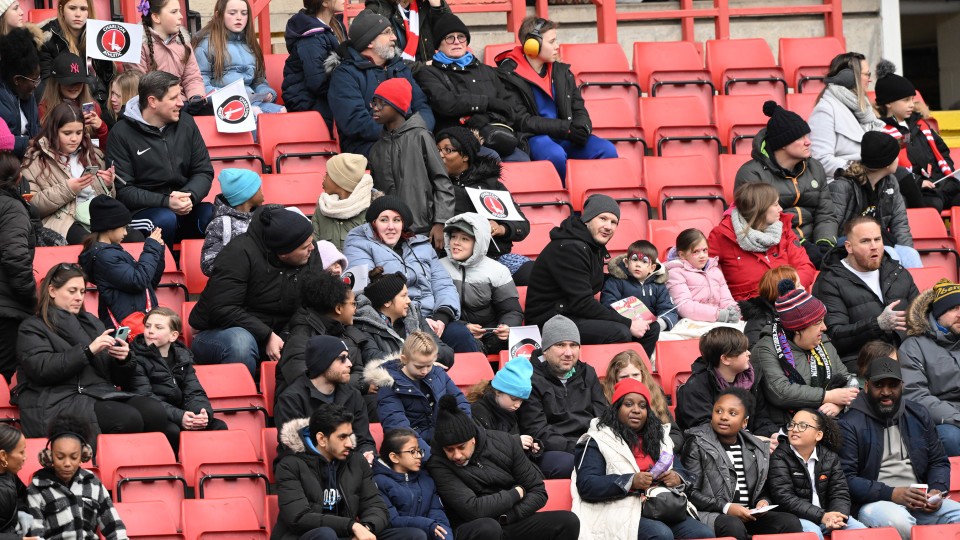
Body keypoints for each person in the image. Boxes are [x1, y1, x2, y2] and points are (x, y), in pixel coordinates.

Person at [14, 264, 169, 440]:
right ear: (52, 291)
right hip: (54, 401)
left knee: (155, 412)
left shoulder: (92, 322)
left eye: (82, 292)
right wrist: (88, 351)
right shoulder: (32, 327)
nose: (79, 297)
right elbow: (42, 369)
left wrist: (122, 359)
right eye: (72, 291)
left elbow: (113, 377)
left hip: (97, 393)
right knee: (128, 419)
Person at [573, 378, 715, 540]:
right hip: (620, 510)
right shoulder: (597, 440)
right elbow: (587, 485)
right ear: (616, 409)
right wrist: (630, 481)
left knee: (704, 533)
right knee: (661, 534)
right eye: (628, 404)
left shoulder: (659, 439)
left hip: (663, 507)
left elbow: (682, 472)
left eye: (642, 406)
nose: (636, 410)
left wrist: (676, 477)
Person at [426, 394, 581, 540]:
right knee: (488, 527)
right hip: (474, 527)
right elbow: (473, 509)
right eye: (449, 450)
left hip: (510, 519)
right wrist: (515, 494)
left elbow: (538, 491)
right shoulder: (438, 463)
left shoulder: (504, 442)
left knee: (568, 521)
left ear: (473, 439)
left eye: (461, 447)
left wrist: (509, 516)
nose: (457, 455)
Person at [189, 205, 321, 375]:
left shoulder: (309, 250)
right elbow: (223, 309)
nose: (311, 248)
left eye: (310, 243)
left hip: (280, 330)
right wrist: (267, 335)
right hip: (219, 333)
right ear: (283, 253)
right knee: (240, 342)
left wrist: (289, 335)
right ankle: (241, 391)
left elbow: (314, 301)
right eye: (304, 247)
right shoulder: (238, 253)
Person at [838, 357, 960, 540]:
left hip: (920, 500)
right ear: (867, 386)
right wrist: (891, 493)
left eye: (893, 385)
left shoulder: (918, 414)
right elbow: (846, 479)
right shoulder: (849, 424)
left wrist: (937, 490)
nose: (886, 392)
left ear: (902, 386)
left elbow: (938, 461)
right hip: (875, 503)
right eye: (879, 385)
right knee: (899, 521)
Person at [274, 403, 426, 540]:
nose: (349, 443)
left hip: (348, 534)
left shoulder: (356, 462)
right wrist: (351, 525)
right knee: (326, 534)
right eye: (342, 437)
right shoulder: (290, 465)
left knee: (414, 535)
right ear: (321, 439)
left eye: (349, 436)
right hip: (308, 535)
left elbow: (377, 507)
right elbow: (299, 518)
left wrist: (366, 528)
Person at [344, 197, 475, 354]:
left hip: (434, 318)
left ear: (403, 224)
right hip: (394, 322)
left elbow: (443, 284)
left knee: (462, 336)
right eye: (384, 220)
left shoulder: (422, 245)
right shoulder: (358, 244)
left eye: (397, 220)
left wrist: (441, 318)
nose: (391, 226)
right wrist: (417, 321)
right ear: (373, 223)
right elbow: (366, 291)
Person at [496, 16, 617, 180]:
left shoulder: (561, 71)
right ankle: (562, 194)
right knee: (555, 155)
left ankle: (595, 195)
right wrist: (567, 129)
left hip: (564, 133)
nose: (557, 46)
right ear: (532, 45)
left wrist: (583, 127)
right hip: (533, 138)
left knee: (607, 150)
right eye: (551, 42)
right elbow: (523, 121)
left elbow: (578, 107)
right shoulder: (508, 75)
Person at [105, 70, 215, 246]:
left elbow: (203, 171)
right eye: (173, 98)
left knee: (210, 214)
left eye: (180, 96)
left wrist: (189, 196)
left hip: (182, 205)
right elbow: (124, 191)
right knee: (164, 219)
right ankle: (161, 264)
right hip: (143, 212)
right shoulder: (121, 133)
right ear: (152, 101)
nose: (181, 103)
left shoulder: (186, 123)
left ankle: (199, 264)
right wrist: (166, 202)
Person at [526, 195, 651, 346]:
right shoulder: (570, 248)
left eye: (614, 222)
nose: (608, 226)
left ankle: (636, 362)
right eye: (603, 218)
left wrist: (633, 279)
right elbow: (582, 303)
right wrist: (628, 323)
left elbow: (591, 278)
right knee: (620, 332)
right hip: (550, 320)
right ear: (587, 219)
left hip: (572, 314)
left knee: (650, 327)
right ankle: (620, 362)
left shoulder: (591, 245)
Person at [681, 388, 804, 540]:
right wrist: (726, 507)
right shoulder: (697, 443)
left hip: (749, 514)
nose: (723, 417)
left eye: (732, 413)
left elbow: (761, 490)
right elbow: (689, 492)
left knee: (790, 522)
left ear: (744, 422)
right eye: (718, 411)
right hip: (713, 514)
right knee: (733, 525)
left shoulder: (756, 447)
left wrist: (763, 502)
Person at [734, 101, 839, 268]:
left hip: (817, 244)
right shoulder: (752, 174)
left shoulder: (815, 168)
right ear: (783, 143)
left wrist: (824, 243)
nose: (808, 142)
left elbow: (825, 214)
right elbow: (758, 223)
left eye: (807, 136)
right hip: (778, 249)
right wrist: (801, 245)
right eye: (800, 137)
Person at [812, 216, 920, 371]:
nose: (874, 246)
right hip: (862, 363)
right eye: (865, 241)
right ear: (849, 247)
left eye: (877, 239)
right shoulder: (830, 281)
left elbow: (921, 316)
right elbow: (834, 337)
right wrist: (877, 324)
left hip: (908, 357)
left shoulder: (897, 272)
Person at [416, 14, 528, 161]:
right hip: (455, 138)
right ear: (439, 44)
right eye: (450, 38)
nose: (457, 42)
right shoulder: (429, 72)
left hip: (491, 132)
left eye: (461, 37)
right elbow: (446, 103)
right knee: (491, 158)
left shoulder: (487, 70)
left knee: (522, 159)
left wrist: (485, 117)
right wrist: (487, 102)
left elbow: (508, 108)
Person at [326, 9, 434, 156]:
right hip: (367, 146)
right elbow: (355, 121)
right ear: (370, 41)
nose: (394, 37)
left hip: (410, 139)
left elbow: (422, 106)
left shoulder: (399, 68)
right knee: (409, 156)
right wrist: (400, 135)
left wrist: (418, 132)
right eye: (387, 32)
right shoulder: (345, 75)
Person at [434, 127, 533, 282]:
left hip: (494, 258)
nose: (440, 155)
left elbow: (522, 225)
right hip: (452, 261)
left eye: (448, 150)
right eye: (438, 150)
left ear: (465, 156)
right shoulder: (433, 184)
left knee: (536, 273)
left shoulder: (490, 185)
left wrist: (502, 228)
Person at [752, 281, 857, 425]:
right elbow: (781, 392)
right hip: (786, 427)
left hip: (828, 423)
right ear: (797, 329)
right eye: (817, 323)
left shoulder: (822, 340)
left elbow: (847, 379)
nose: (824, 327)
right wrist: (828, 396)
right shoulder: (766, 349)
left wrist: (838, 404)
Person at [516, 315, 607, 479]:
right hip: (551, 449)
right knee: (571, 464)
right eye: (560, 345)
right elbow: (537, 430)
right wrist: (579, 447)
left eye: (573, 345)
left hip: (590, 442)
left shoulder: (587, 372)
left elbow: (603, 415)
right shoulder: (529, 378)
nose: (568, 353)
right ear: (545, 349)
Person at [20, 102, 124, 245]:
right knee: (92, 244)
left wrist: (107, 185)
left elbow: (109, 198)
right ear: (53, 131)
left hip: (96, 216)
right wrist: (68, 189)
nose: (74, 139)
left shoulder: (92, 153)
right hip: (63, 220)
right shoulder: (35, 158)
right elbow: (31, 205)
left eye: (79, 133)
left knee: (134, 237)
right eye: (67, 133)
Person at [368, 77, 454, 242]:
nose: (375, 108)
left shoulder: (421, 136)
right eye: (374, 103)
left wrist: (441, 222)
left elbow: (442, 181)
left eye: (382, 103)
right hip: (389, 233)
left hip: (422, 231)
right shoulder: (376, 148)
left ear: (397, 106)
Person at [363, 332, 470, 458]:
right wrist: (431, 457)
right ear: (404, 359)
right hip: (416, 454)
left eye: (429, 365)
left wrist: (460, 433)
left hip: (446, 443)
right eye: (419, 366)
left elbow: (460, 402)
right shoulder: (389, 385)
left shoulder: (437, 372)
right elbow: (398, 429)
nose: (425, 371)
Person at [130, 307, 227, 445]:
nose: (150, 331)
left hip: (180, 413)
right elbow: (145, 396)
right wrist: (180, 417)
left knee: (218, 426)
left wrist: (201, 413)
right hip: (156, 416)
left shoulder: (182, 357)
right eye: (148, 326)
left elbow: (194, 391)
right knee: (172, 431)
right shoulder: (135, 358)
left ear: (173, 336)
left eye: (158, 327)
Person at [274, 335, 376, 463]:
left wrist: (366, 453)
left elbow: (363, 440)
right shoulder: (291, 399)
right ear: (323, 362)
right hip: (307, 468)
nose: (350, 364)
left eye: (348, 358)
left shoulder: (353, 395)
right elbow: (296, 449)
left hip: (346, 465)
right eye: (342, 358)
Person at [276, 269, 370, 405]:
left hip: (340, 401)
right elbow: (305, 379)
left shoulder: (348, 333)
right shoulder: (301, 335)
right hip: (304, 406)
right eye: (353, 304)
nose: (355, 309)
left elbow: (359, 372)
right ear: (338, 308)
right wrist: (359, 384)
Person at [709, 183, 816, 302]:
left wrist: (791, 289)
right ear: (760, 208)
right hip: (749, 308)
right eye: (775, 204)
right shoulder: (723, 235)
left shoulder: (784, 228)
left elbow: (805, 266)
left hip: (788, 301)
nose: (780, 209)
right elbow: (702, 274)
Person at [768, 409, 865, 540]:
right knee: (813, 533)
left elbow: (840, 492)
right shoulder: (779, 457)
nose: (795, 429)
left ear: (818, 435)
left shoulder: (829, 457)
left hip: (827, 517)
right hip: (796, 518)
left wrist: (837, 516)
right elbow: (784, 498)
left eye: (803, 426)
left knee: (860, 530)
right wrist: (822, 516)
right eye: (792, 424)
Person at [829, 131, 921, 268]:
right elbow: (831, 228)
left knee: (911, 254)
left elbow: (900, 224)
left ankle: (915, 283)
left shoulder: (891, 182)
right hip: (849, 245)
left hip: (878, 242)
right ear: (886, 163)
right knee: (889, 253)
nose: (898, 159)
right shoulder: (842, 187)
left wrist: (906, 251)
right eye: (895, 156)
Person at [25, 415, 127, 539]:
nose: (67, 463)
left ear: (83, 455)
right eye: (60, 457)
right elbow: (36, 535)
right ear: (49, 457)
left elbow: (115, 528)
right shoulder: (37, 489)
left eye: (74, 457)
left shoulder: (93, 483)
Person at [876, 60, 957, 209]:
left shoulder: (921, 124)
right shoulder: (881, 132)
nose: (912, 104)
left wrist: (946, 175)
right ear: (888, 103)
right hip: (917, 190)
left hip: (941, 183)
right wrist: (919, 182)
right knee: (934, 204)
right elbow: (891, 169)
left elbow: (943, 151)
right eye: (906, 100)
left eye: (912, 99)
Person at [675, 327, 779, 442]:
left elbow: (761, 418)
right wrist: (752, 441)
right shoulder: (696, 387)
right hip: (710, 449)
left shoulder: (750, 379)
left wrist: (772, 434)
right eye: (743, 350)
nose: (749, 353)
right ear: (725, 359)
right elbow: (705, 431)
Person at [439, 213, 523, 355]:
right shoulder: (438, 267)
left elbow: (511, 311)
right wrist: (465, 326)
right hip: (453, 332)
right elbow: (431, 310)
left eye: (464, 239)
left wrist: (506, 327)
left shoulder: (498, 270)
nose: (456, 243)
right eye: (453, 237)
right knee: (460, 335)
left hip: (490, 334)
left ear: (478, 242)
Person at [79, 195, 165, 330]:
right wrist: (151, 248)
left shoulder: (113, 252)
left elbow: (150, 282)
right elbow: (138, 281)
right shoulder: (104, 257)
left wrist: (158, 251)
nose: (125, 233)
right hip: (125, 330)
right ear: (109, 226)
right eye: (123, 227)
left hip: (138, 324)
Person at [900, 278, 960, 456]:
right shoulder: (914, 346)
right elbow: (915, 395)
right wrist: (956, 417)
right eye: (954, 308)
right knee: (950, 437)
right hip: (942, 420)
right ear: (938, 313)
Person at [193, 0, 285, 115]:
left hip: (252, 101)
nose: (239, 18)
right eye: (232, 13)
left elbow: (258, 81)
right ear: (218, 15)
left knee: (281, 112)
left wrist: (266, 93)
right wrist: (233, 97)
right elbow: (201, 86)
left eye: (244, 13)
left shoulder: (251, 44)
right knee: (255, 114)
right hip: (223, 106)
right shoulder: (206, 45)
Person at [352, 266, 454, 368]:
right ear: (387, 302)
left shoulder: (414, 316)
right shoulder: (365, 325)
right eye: (404, 296)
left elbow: (447, 353)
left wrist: (421, 361)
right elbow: (372, 358)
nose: (409, 301)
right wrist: (420, 360)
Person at [809, 52, 884, 182]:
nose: (870, 79)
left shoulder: (863, 108)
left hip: (865, 178)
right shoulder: (825, 109)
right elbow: (820, 160)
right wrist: (860, 171)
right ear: (849, 78)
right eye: (867, 74)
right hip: (843, 183)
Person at [373, 428, 453, 540]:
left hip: (426, 532)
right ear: (394, 457)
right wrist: (426, 525)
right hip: (401, 536)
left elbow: (437, 513)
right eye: (412, 451)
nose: (419, 455)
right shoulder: (379, 482)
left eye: (419, 450)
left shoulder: (426, 478)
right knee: (418, 535)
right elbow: (392, 520)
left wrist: (445, 536)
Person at [0, 152, 37, 383]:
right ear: (18, 178)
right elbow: (15, 257)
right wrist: (31, 298)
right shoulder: (12, 208)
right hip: (6, 310)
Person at [601, 239, 679, 345]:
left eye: (644, 261)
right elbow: (608, 304)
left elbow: (668, 310)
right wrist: (629, 323)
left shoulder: (658, 286)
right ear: (626, 263)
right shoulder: (616, 281)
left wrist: (658, 324)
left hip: (649, 328)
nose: (638, 264)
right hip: (625, 326)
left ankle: (642, 356)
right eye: (634, 259)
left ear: (652, 268)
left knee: (656, 331)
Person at [37, 0, 113, 107]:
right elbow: (48, 84)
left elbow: (106, 78)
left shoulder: (100, 35)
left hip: (96, 102)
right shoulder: (46, 37)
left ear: (89, 11)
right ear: (61, 9)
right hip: (61, 104)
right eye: (72, 8)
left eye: (83, 9)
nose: (78, 14)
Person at [467, 357, 545, 461]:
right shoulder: (477, 411)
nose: (517, 405)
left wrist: (530, 447)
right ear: (498, 391)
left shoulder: (509, 410)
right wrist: (514, 443)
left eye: (521, 401)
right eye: (514, 399)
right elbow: (481, 445)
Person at [281, 0, 345, 126]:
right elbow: (318, 83)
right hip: (307, 102)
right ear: (324, 3)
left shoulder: (336, 26)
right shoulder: (311, 38)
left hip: (326, 95)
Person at [130, 0, 205, 103]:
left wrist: (196, 97)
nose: (181, 16)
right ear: (156, 17)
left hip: (182, 102)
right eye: (174, 12)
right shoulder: (138, 45)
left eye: (179, 11)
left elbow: (192, 77)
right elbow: (138, 84)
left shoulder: (183, 42)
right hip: (155, 105)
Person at [665, 228, 740, 323]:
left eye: (705, 250)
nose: (702, 255)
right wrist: (718, 315)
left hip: (718, 320)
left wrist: (733, 310)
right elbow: (684, 306)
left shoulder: (715, 271)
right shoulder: (675, 273)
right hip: (691, 323)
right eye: (696, 252)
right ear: (682, 255)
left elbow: (726, 300)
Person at [200, 168, 264, 276]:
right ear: (248, 194)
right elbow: (208, 264)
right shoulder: (220, 224)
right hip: (235, 282)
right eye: (258, 188)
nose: (262, 192)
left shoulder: (262, 217)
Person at [38, 53, 109, 146]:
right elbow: (43, 144)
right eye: (69, 82)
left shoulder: (93, 107)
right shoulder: (45, 108)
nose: (74, 87)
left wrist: (101, 128)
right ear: (56, 83)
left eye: (79, 82)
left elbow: (104, 148)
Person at [311, 153, 376, 251]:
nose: (323, 178)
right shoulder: (322, 208)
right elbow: (313, 249)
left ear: (339, 180)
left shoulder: (371, 210)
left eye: (327, 174)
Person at [364, 0, 449, 71]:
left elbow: (450, 39)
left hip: (429, 75)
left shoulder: (426, 4)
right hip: (399, 77)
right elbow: (385, 61)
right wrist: (424, 66)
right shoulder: (377, 9)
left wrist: (438, 8)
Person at [0, 28, 41, 158]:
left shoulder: (27, 93)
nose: (36, 85)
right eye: (34, 80)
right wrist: (26, 143)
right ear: (17, 80)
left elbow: (36, 129)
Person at [0, 425, 32, 539]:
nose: (25, 457)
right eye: (21, 452)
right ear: (3, 455)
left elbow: (21, 497)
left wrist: (21, 511)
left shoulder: (10, 474)